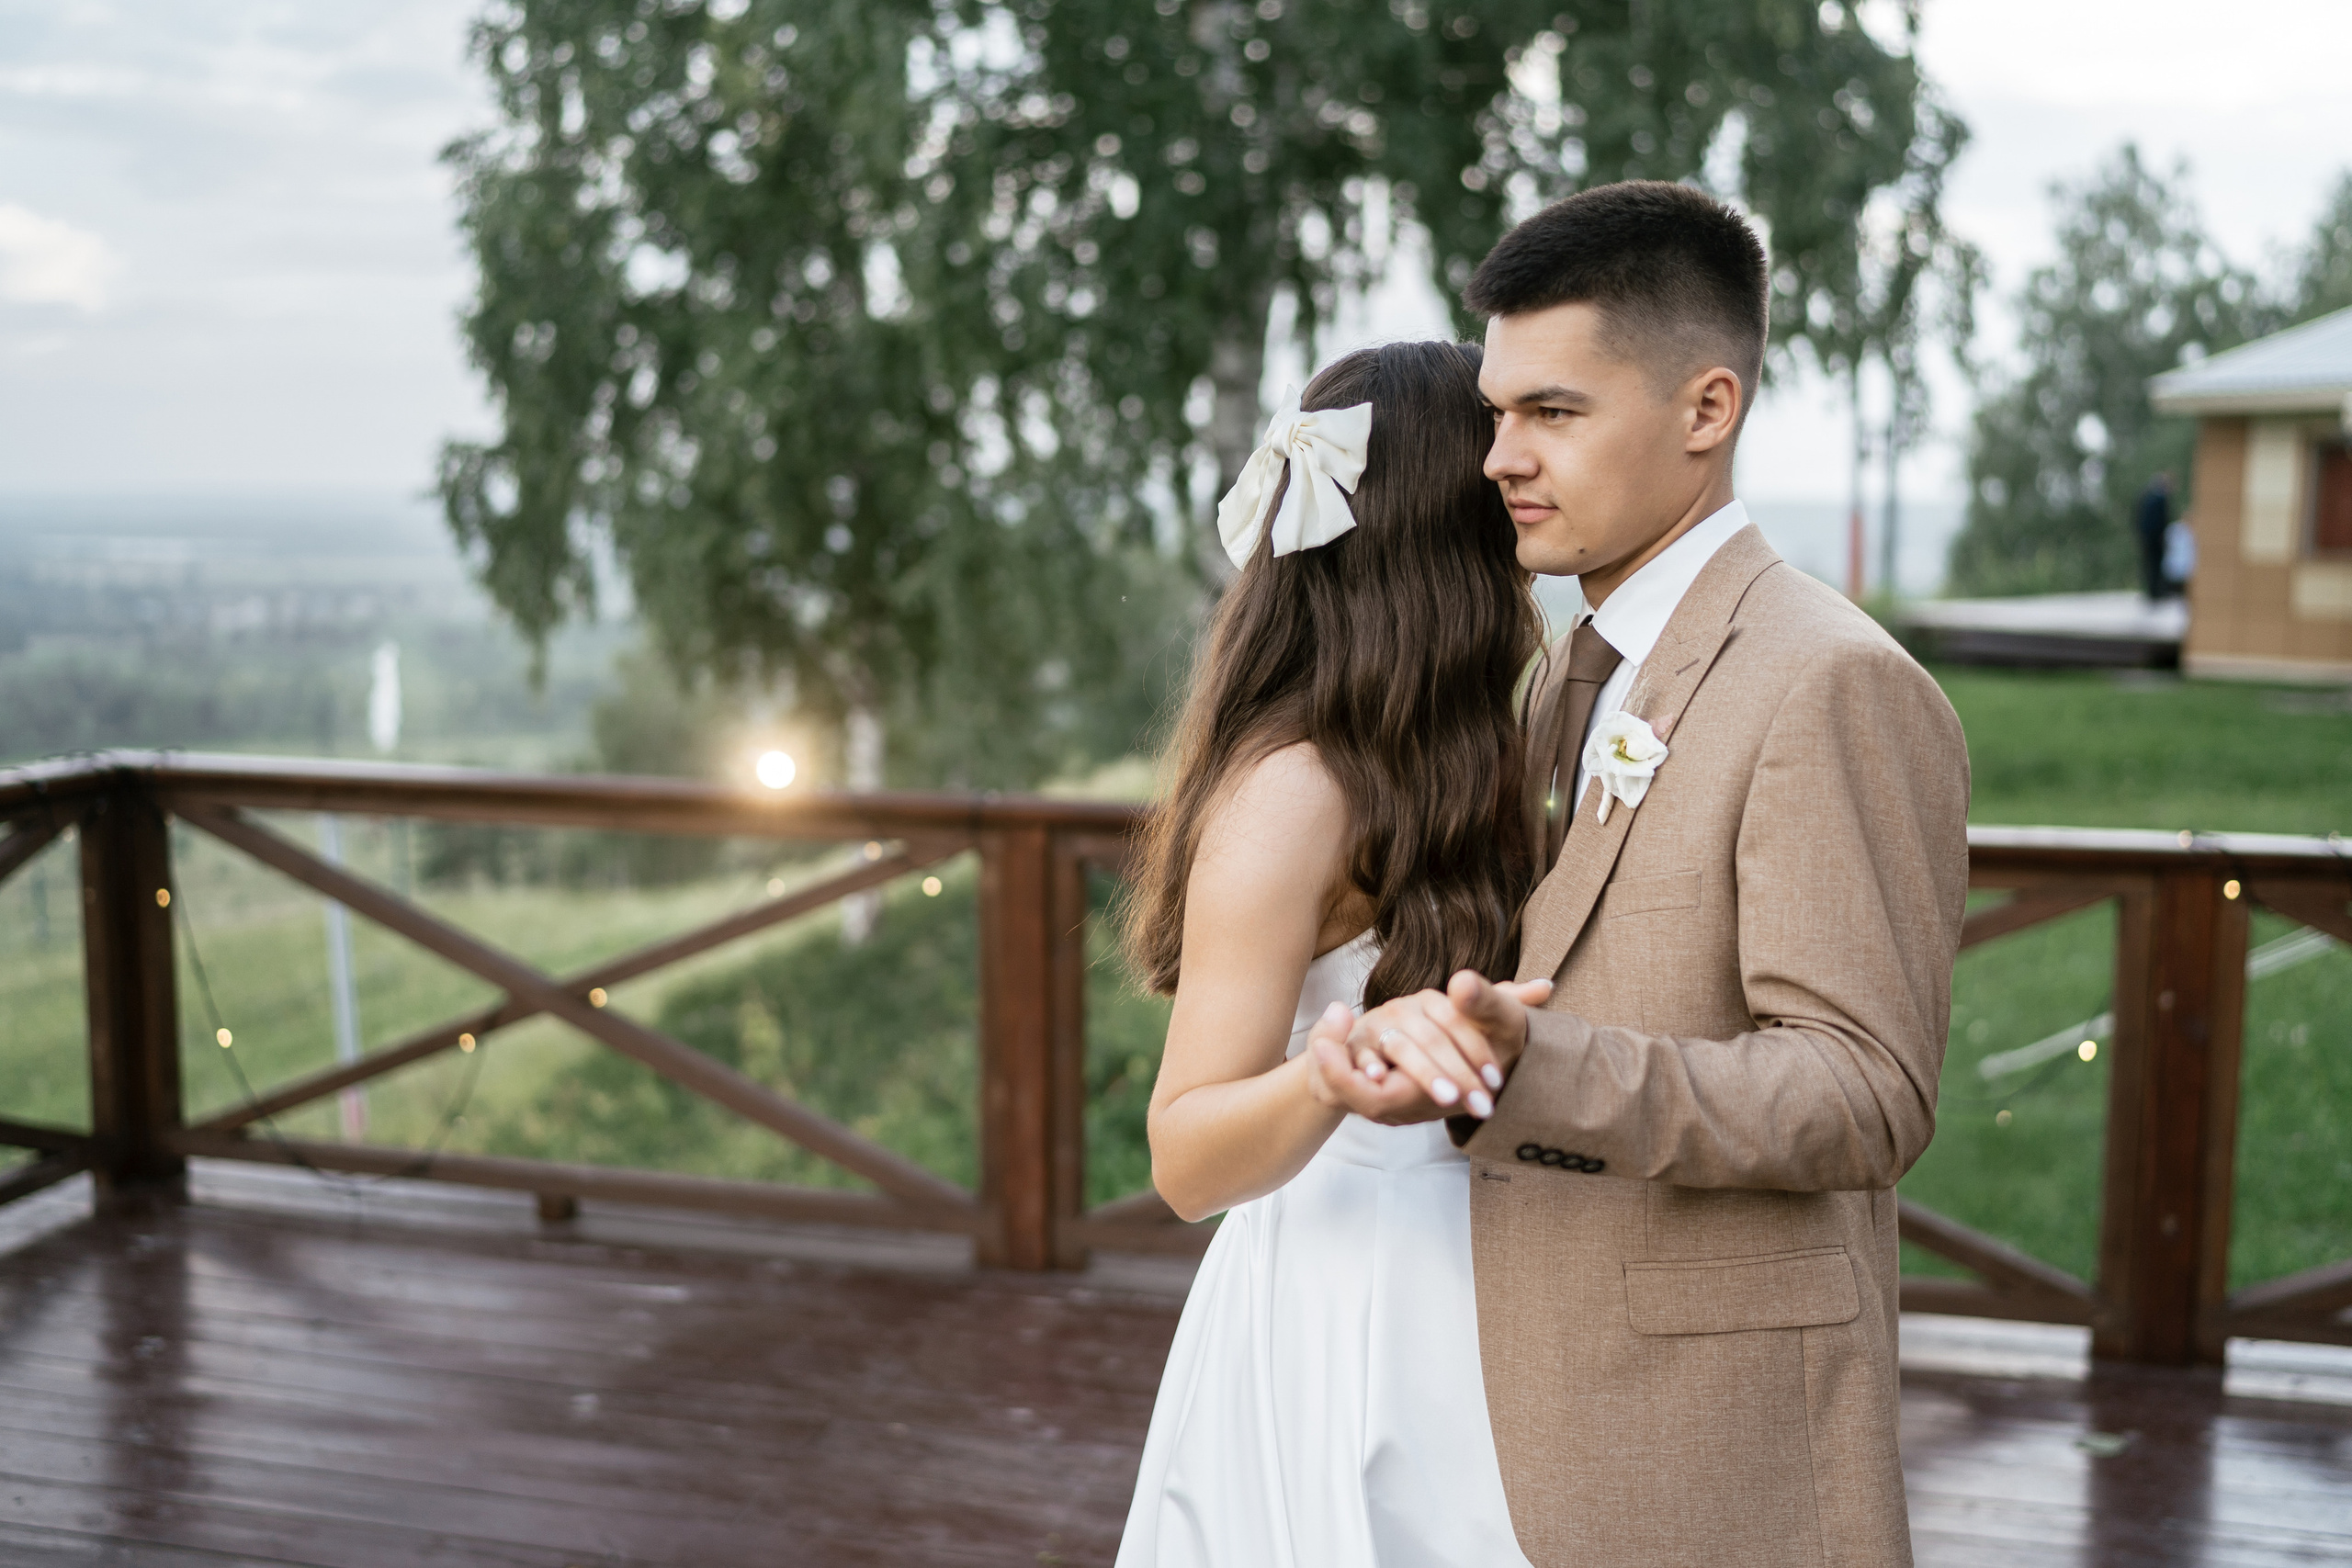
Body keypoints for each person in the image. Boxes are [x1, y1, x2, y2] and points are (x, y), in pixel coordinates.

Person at [1308, 182, 1972, 1567]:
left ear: (1705, 410)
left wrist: (1530, 1065)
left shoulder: (1829, 679)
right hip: (1506, 1401)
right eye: (1498, 413)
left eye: (1554, 412)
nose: (1500, 456)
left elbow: (1866, 1089)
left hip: (1710, 1445)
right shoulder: (1565, 670)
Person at [1114, 340, 1550, 1565]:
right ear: (1446, 519)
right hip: (1351, 1308)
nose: (1528, 472)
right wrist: (1325, 1076)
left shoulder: (1475, 745)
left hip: (1487, 1274)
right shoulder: (1293, 792)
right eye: (1504, 450)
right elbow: (1185, 1154)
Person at [2136, 471, 2175, 599]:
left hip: (2147, 536)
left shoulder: (2146, 497)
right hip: (2156, 537)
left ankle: (2152, 591)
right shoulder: (2160, 499)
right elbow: (2162, 520)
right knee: (2157, 564)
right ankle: (2156, 592)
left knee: (2150, 564)